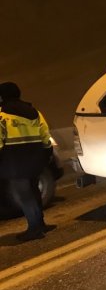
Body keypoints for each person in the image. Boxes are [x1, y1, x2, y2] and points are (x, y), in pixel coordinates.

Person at [0, 82, 55, 241]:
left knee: (24, 196)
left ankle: (34, 229)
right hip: (34, 159)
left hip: (15, 162)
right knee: (34, 191)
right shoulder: (33, 111)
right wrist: (47, 152)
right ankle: (41, 224)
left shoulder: (2, 114)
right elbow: (45, 134)